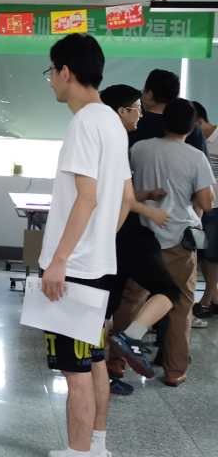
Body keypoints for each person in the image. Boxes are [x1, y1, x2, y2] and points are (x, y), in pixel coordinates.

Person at [39, 34, 133, 457]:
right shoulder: (112, 121)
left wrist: (60, 259)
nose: (51, 81)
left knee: (74, 371)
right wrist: (99, 241)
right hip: (97, 264)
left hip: (74, 271)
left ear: (66, 72)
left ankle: (78, 453)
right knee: (93, 360)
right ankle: (96, 445)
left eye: (51, 72)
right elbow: (126, 198)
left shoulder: (83, 124)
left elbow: (87, 197)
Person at [129, 98, 215, 387]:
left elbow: (126, 188)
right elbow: (207, 202)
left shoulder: (139, 149)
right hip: (179, 240)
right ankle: (175, 371)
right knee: (179, 307)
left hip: (142, 235)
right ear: (192, 128)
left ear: (164, 122)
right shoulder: (195, 157)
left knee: (133, 299)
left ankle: (116, 363)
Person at [98, 85, 180, 387]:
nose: (141, 115)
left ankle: (105, 371)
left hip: (112, 236)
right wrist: (150, 211)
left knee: (108, 304)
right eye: (136, 108)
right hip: (127, 233)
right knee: (168, 291)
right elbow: (123, 199)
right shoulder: (117, 144)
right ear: (121, 111)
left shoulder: (108, 142)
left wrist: (144, 196)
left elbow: (120, 193)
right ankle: (129, 338)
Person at [192, 101, 218, 318]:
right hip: (200, 204)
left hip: (215, 206)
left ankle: (208, 299)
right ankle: (213, 298)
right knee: (203, 254)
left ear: (199, 121)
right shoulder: (196, 140)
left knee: (211, 255)